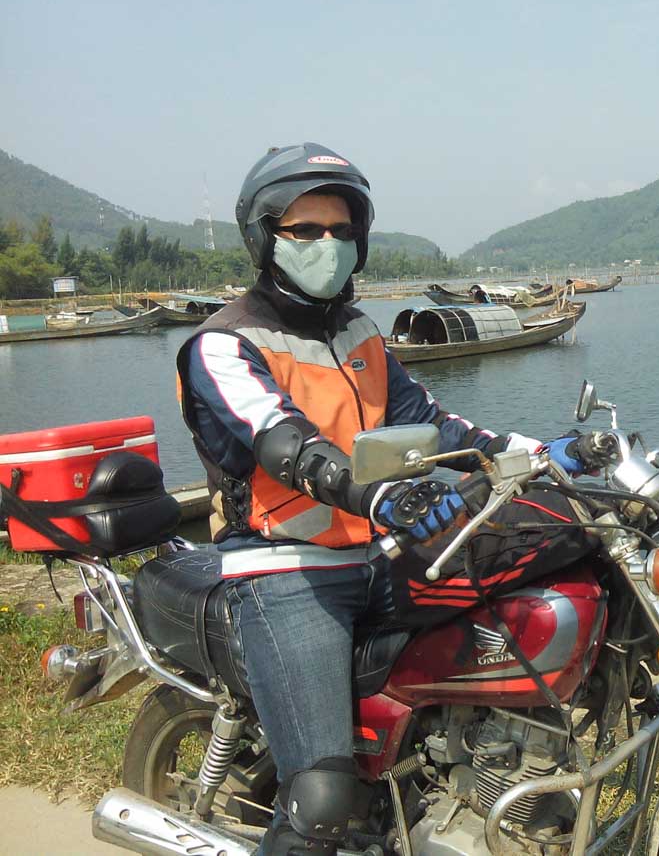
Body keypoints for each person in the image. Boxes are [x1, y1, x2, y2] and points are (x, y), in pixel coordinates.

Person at [176, 142, 584, 855]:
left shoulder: (358, 333)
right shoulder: (224, 344)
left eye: (340, 230)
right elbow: (287, 446)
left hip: (376, 558)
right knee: (322, 801)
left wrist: (541, 454)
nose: (326, 244)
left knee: (530, 591)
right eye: (306, 230)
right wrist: (378, 495)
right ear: (264, 237)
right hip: (284, 575)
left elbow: (437, 425)